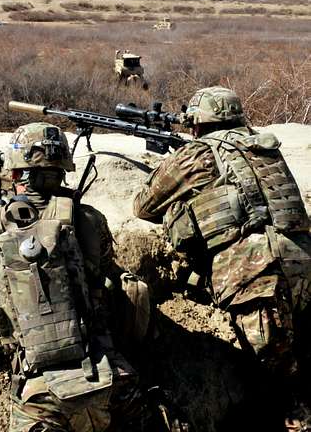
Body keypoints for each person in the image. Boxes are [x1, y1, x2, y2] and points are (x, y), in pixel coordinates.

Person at [0, 122, 153, 432]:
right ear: (64, 168)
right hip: (114, 382)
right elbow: (103, 268)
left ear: (14, 173)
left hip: (42, 399)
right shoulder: (89, 218)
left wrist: (0, 207)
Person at [132, 87, 311, 411]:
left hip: (254, 275)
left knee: (278, 389)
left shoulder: (196, 155)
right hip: (303, 260)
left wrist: (173, 162)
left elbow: (143, 207)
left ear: (197, 125)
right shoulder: (263, 145)